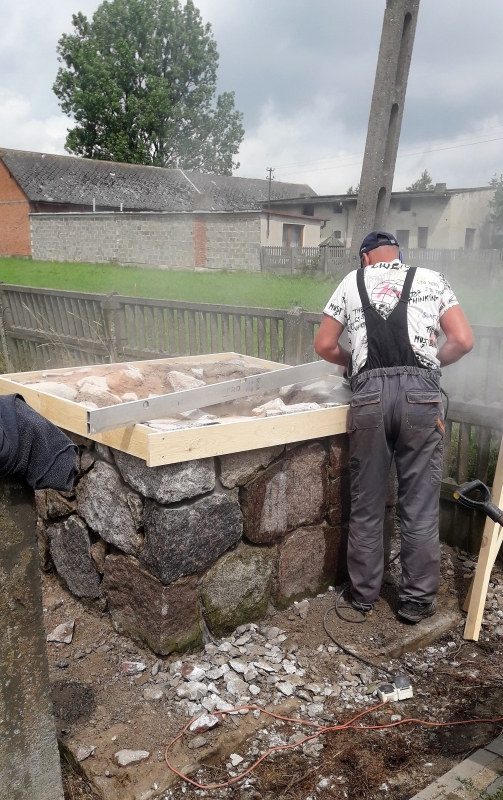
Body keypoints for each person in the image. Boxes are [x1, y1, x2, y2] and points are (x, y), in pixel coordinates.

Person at [314, 231, 474, 623]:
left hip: (368, 399)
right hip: (421, 400)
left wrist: (352, 362)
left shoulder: (351, 282)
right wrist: (430, 363)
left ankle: (363, 596)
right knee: (418, 503)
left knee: (366, 501)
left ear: (365, 258)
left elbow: (324, 346)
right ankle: (416, 600)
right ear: (398, 255)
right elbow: (463, 340)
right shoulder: (432, 279)